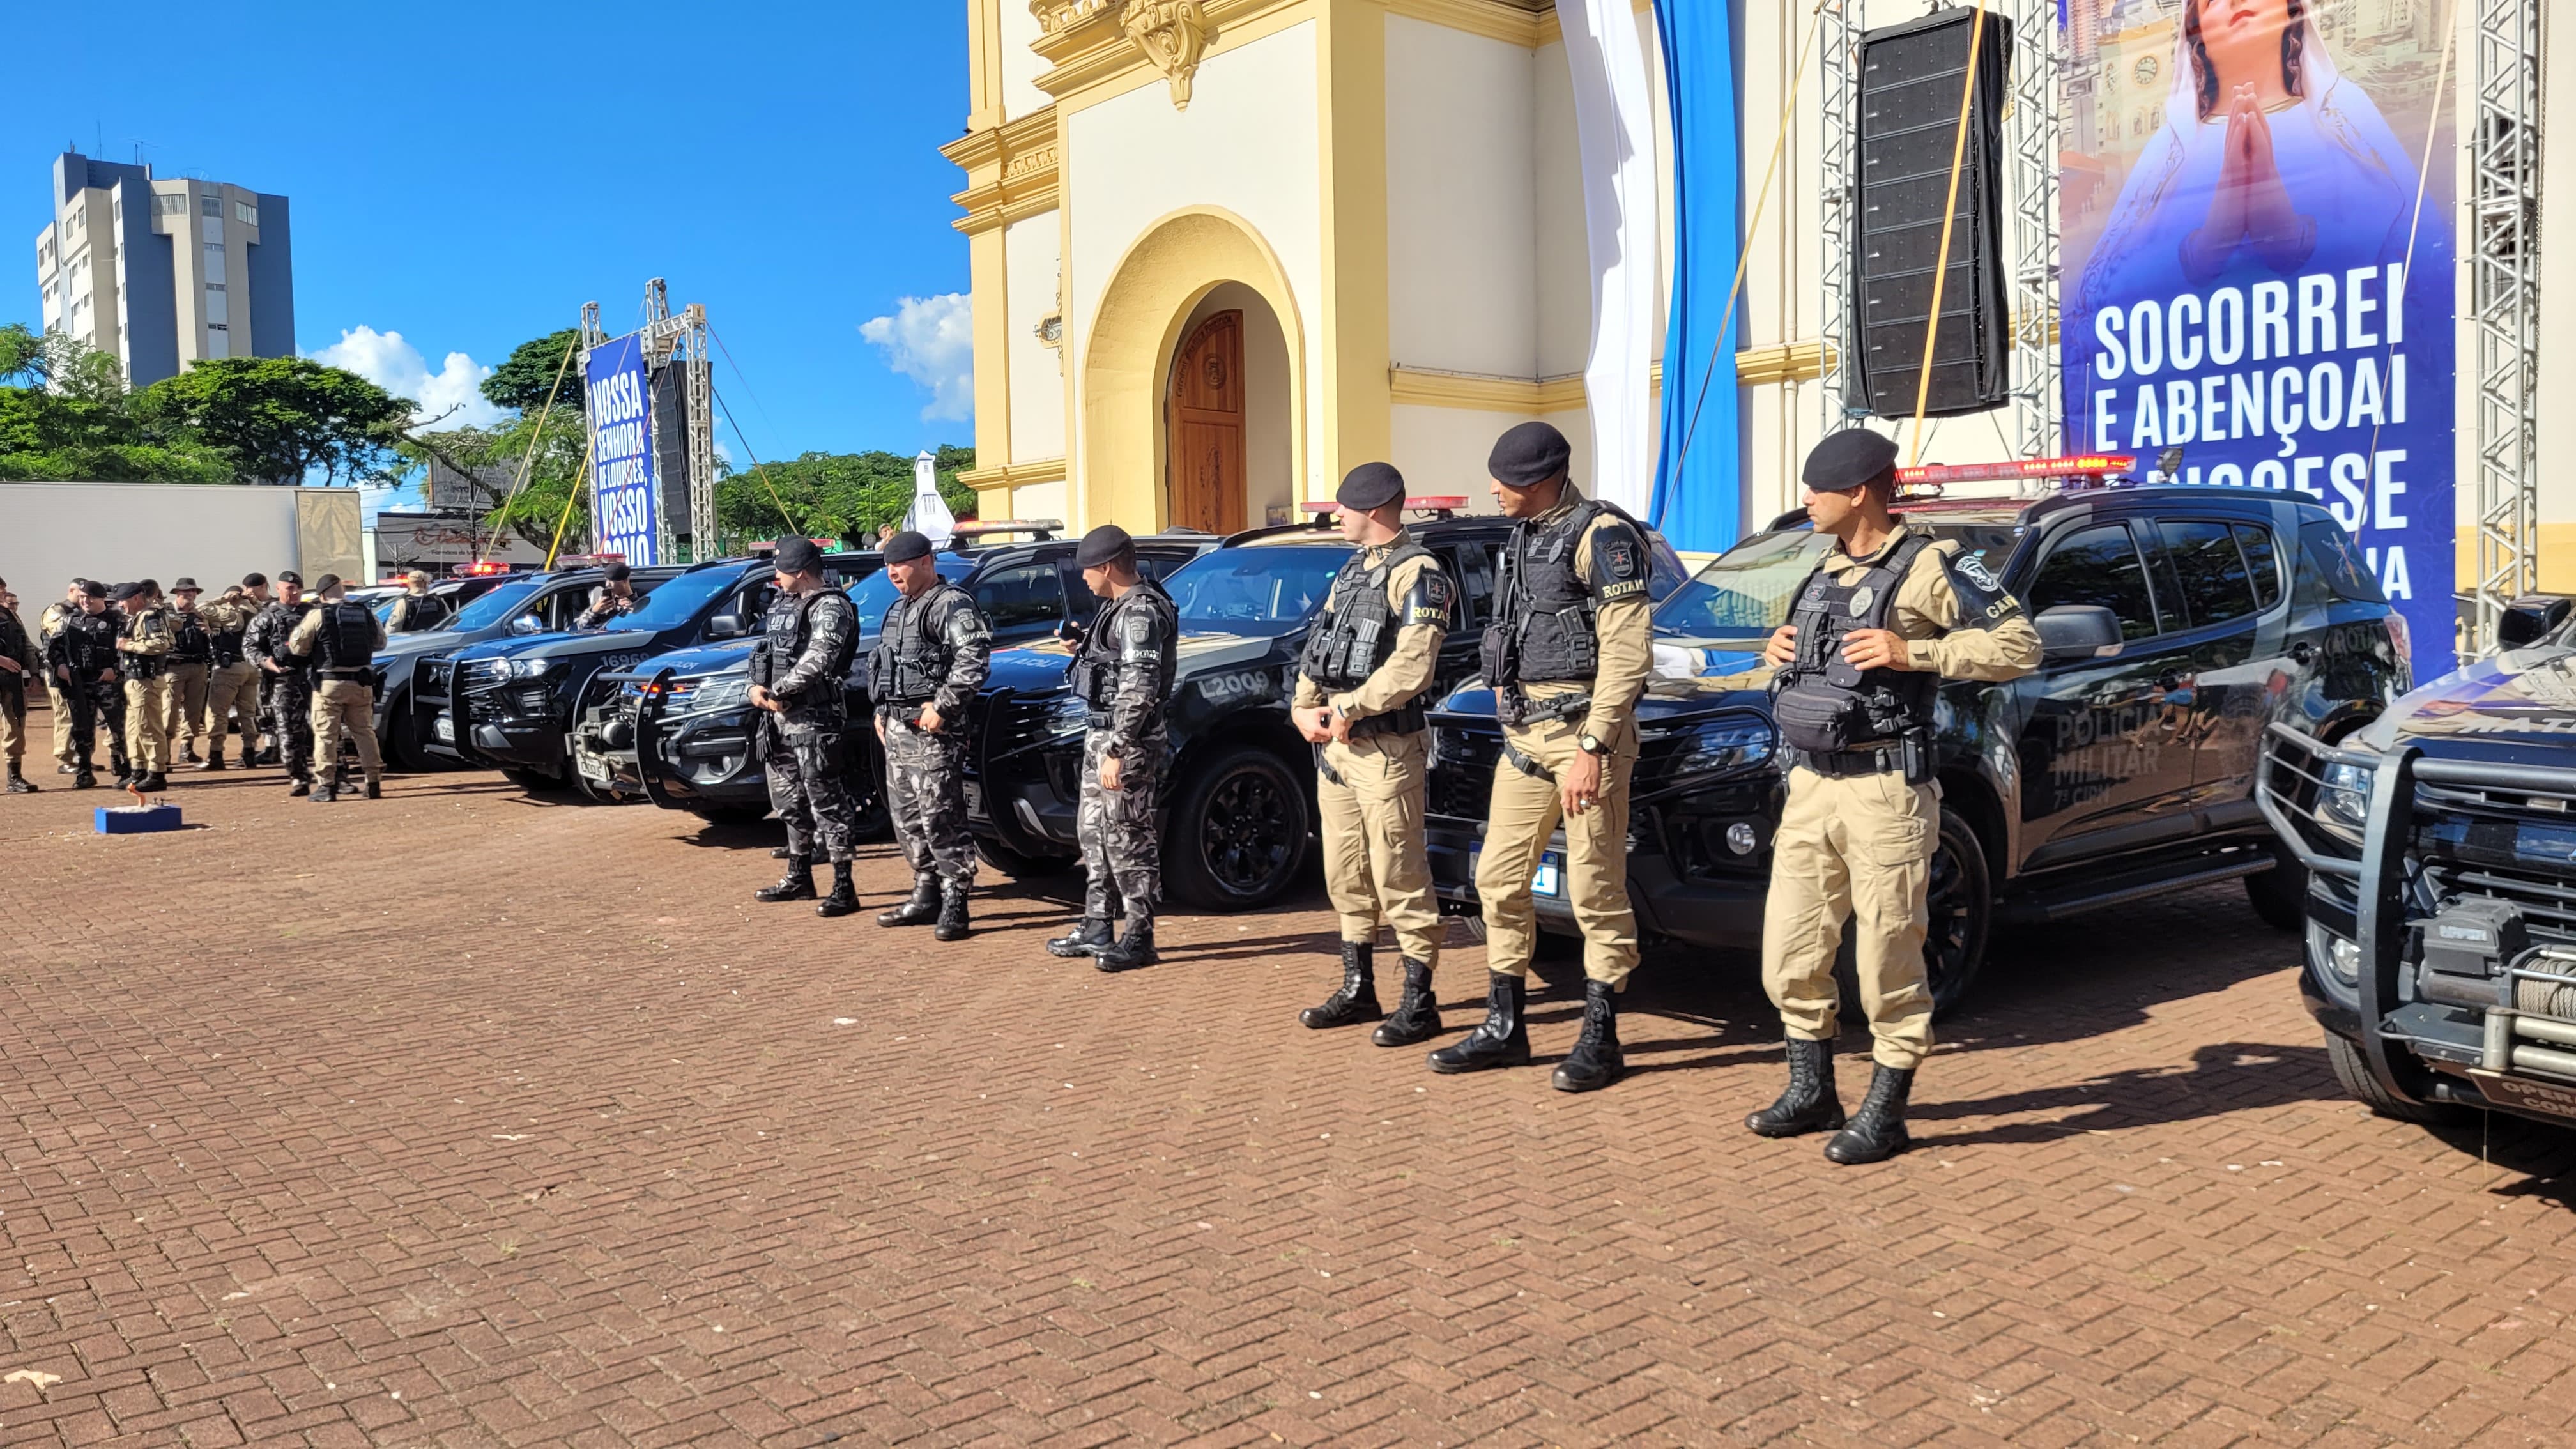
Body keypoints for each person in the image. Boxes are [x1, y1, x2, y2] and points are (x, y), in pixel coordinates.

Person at [1748, 430, 2041, 1164]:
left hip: (1886, 792)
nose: (1805, 500)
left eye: (1818, 489)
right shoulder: (1820, 566)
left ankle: (1888, 1109)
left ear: (1860, 493)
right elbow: (1796, 660)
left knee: (1886, 960)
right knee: (1788, 954)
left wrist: (1918, 652)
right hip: (1811, 787)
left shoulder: (1936, 565)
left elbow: (2020, 645)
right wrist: (1775, 649)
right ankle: (1812, 1088)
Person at [1432, 421, 1653, 1092]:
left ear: (1544, 480)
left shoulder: (1604, 538)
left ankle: (1601, 1038)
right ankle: (1506, 1026)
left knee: (1594, 890)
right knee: (1497, 881)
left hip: (1587, 734)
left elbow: (1627, 653)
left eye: (1509, 481)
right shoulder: (1524, 536)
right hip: (1526, 738)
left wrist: (1594, 746)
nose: (1495, 491)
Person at [1289, 463, 1456, 1045]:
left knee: (1398, 874)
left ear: (1378, 509)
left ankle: (1421, 1000)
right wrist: (1303, 707)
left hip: (1386, 749)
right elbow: (1320, 646)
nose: (1337, 516)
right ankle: (1359, 989)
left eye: (1346, 507)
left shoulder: (1420, 573)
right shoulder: (1352, 571)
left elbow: (1413, 665)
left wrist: (1350, 707)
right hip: (1337, 752)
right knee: (1345, 872)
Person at [1046, 525, 1178, 972]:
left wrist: (1119, 749)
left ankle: (1140, 936)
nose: (1083, 578)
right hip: (1102, 735)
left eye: (1087, 570)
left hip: (1127, 742)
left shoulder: (1139, 613)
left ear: (1106, 567)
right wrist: (1081, 649)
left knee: (1128, 839)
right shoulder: (1116, 609)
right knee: (1094, 834)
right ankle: (1098, 923)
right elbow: (1115, 670)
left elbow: (1140, 688)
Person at [868, 530, 993, 939]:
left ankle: (956, 898)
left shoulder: (951, 604)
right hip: (899, 730)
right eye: (887, 566)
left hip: (935, 735)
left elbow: (973, 660)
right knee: (905, 818)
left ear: (926, 561)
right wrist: (882, 711)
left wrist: (943, 706)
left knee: (941, 816)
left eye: (899, 565)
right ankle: (925, 892)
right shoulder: (899, 609)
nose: (892, 573)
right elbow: (888, 666)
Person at [747, 538, 864, 916]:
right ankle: (799, 876)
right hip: (777, 718)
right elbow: (763, 651)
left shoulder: (830, 606)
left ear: (800, 571)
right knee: (787, 801)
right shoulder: (783, 604)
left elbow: (820, 658)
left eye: (781, 570)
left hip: (814, 719)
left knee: (827, 803)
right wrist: (755, 687)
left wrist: (780, 691)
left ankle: (844, 886)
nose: (776, 577)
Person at [288, 574, 390, 802]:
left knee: (326, 735)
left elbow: (298, 647)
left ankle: (327, 786)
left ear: (322, 595)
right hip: (362, 683)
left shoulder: (317, 615)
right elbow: (381, 643)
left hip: (329, 684)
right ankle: (373, 782)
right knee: (364, 732)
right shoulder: (365, 613)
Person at [47, 581, 125, 790]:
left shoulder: (118, 621)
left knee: (119, 728)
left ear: (101, 598)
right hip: (79, 682)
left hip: (109, 682)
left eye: (90, 597)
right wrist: (61, 665)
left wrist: (115, 670)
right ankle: (84, 772)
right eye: (82, 597)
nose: (85, 601)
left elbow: (128, 650)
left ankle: (126, 771)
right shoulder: (69, 622)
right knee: (81, 729)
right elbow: (53, 648)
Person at [245, 571, 316, 795]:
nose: (294, 593)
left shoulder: (313, 614)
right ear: (278, 589)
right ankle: (298, 777)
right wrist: (265, 662)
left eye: (297, 589)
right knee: (289, 732)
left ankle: (337, 775)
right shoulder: (268, 617)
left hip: (314, 679)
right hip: (284, 681)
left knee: (325, 729)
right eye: (289, 589)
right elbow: (250, 648)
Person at [112, 581, 177, 791]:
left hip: (146, 681)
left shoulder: (150, 617)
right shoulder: (136, 618)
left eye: (123, 601)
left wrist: (128, 645)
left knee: (149, 727)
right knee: (134, 728)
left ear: (137, 599)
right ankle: (138, 770)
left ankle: (157, 773)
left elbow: (161, 644)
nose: (120, 606)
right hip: (134, 680)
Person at [194, 580, 263, 770]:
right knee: (248, 713)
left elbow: (199, 608)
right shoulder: (256, 613)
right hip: (251, 668)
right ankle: (250, 753)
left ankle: (216, 755)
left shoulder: (230, 613)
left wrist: (222, 599)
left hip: (230, 668)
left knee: (217, 712)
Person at [38, 579, 88, 776]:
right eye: (81, 594)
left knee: (80, 715)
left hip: (78, 672)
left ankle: (79, 757)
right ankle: (64, 758)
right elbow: (60, 631)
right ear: (71, 591)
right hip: (58, 672)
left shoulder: (82, 612)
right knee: (65, 715)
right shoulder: (56, 611)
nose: (84, 599)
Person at [163, 578, 213, 765]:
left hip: (197, 666)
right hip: (173, 668)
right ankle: (164, 751)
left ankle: (187, 748)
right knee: (169, 711)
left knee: (193, 710)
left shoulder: (199, 615)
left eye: (193, 593)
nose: (190, 596)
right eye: (185, 593)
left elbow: (210, 638)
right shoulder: (166, 614)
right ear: (177, 594)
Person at [237, 574, 280, 765]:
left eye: (252, 588)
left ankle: (276, 748)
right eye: (246, 588)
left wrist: (255, 602)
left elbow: (272, 617)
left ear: (263, 587)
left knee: (275, 707)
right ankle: (270, 747)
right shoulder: (248, 606)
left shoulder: (274, 605)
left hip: (276, 665)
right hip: (259, 664)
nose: (248, 592)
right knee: (262, 708)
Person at [0, 583, 36, 793]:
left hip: (12, 680)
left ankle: (15, 776)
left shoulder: (10, 615)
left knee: (15, 724)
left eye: (3, 589)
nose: (3, 593)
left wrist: (33, 674)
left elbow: (27, 644)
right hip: (5, 669)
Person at [576, 564, 641, 629]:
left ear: (625, 581)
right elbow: (580, 628)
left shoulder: (641, 604)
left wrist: (632, 613)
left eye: (611, 581)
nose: (607, 584)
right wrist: (594, 612)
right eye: (606, 580)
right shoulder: (602, 603)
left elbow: (642, 631)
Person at [387, 570, 450, 634]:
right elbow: (450, 622)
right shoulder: (438, 600)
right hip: (435, 641)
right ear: (425, 584)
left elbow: (393, 629)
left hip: (413, 642)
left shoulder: (403, 602)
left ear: (409, 584)